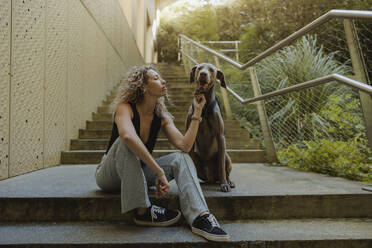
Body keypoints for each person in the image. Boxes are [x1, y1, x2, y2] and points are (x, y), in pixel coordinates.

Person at [95, 65, 230, 242]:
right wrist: (158, 171)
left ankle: (200, 217)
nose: (163, 81)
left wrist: (197, 112)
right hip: (109, 175)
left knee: (181, 158)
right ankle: (143, 211)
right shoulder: (125, 107)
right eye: (156, 78)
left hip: (137, 171)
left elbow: (185, 146)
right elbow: (127, 136)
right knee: (124, 142)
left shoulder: (161, 115)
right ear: (143, 86)